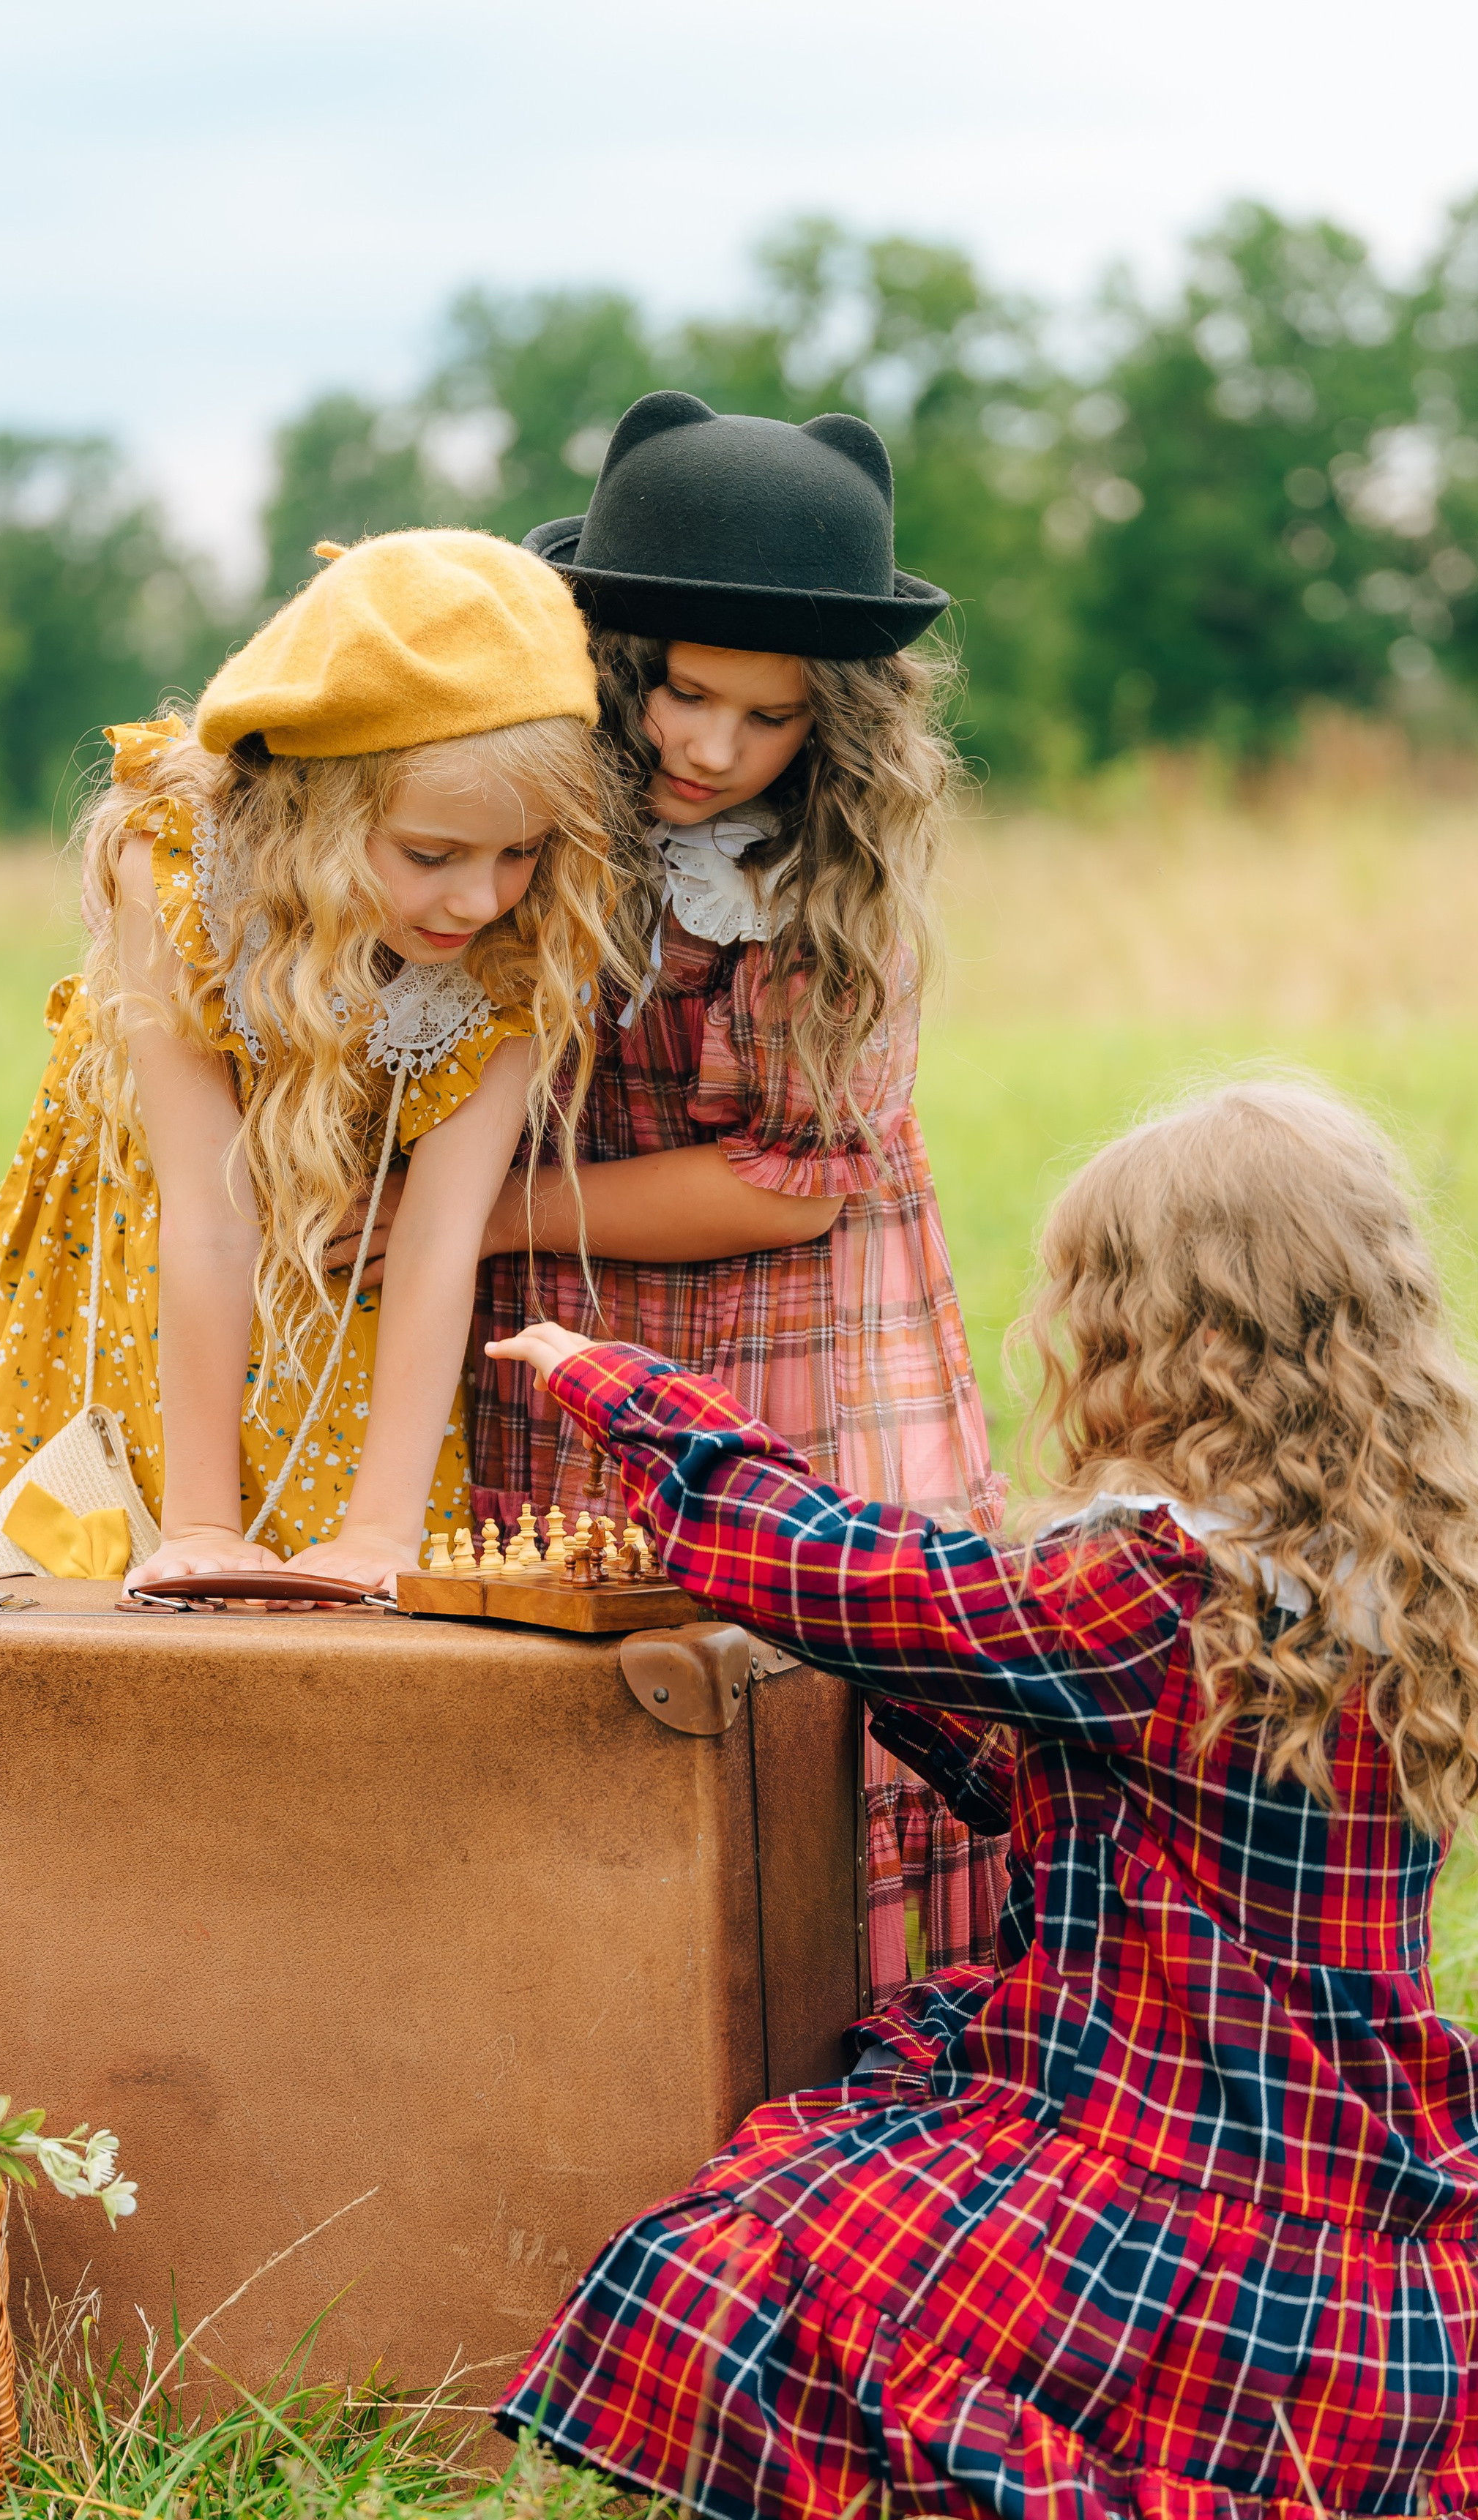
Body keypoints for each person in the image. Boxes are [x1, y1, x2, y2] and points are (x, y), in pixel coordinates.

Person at [485, 1080, 1478, 2520]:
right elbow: (1095, 1791)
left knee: (732, 2263)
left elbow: (859, 1574)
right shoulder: (1366, 1565)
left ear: (1150, 1328)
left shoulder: (1153, 1584)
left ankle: (1014, 2517)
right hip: (1380, 2305)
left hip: (1205, 2235)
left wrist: (624, 1392)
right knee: (828, 2220)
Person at [460, 391, 1004, 1997]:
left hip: (797, 1345)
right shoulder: (526, 832)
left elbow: (782, 1188)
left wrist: (495, 1222)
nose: (707, 748)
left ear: (830, 726)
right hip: (564, 1353)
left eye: (763, 718)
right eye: (684, 694)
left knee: (824, 1698)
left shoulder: (829, 895)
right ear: (619, 668)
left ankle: (847, 2078)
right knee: (583, 1697)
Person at [0, 530, 612, 1595]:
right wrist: (197, 1523)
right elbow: (211, 1211)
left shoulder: (521, 929)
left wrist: (381, 1529)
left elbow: (437, 1234)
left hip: (345, 1308)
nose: (479, 898)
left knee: (331, 1625)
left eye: (520, 852)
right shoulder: (185, 876)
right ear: (319, 813)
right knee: (108, 1588)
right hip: (155, 1275)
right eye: (431, 856)